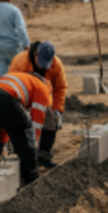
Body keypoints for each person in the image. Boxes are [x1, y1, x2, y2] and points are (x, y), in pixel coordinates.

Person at [0, 70, 52, 186]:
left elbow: (5, 121)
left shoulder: (20, 79)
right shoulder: (43, 88)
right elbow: (36, 122)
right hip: (6, 97)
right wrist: (31, 145)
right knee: (25, 135)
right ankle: (31, 178)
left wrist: (2, 143)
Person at [8, 41, 66, 170]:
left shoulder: (56, 64)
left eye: (47, 63)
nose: (43, 66)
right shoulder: (20, 61)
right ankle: (19, 158)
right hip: (23, 98)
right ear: (36, 54)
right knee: (22, 126)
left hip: (44, 99)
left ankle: (43, 157)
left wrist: (58, 110)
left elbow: (60, 88)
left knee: (51, 123)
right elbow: (12, 85)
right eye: (41, 61)